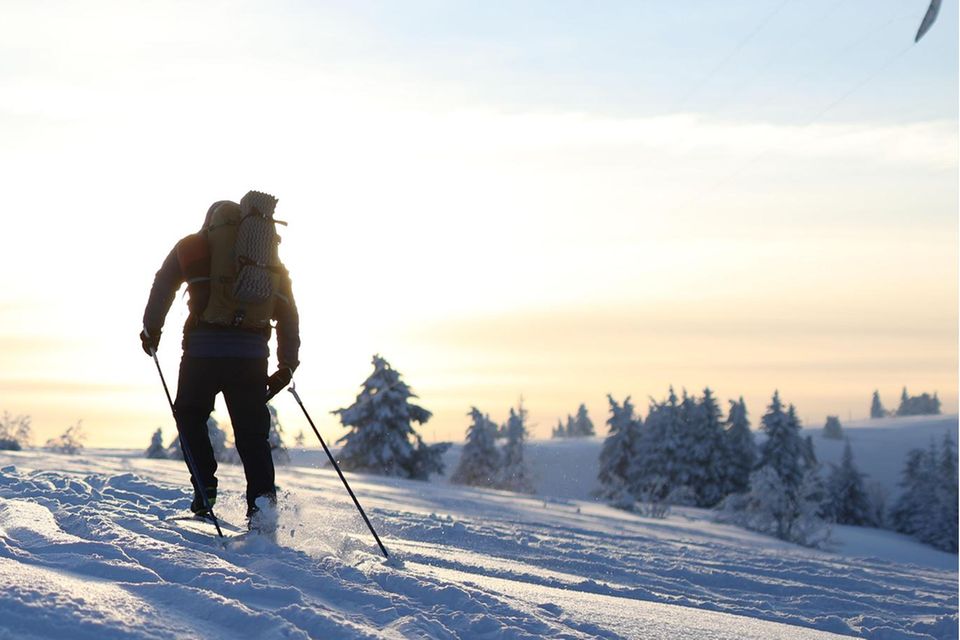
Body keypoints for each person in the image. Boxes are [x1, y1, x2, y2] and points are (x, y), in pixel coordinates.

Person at [140, 191, 300, 527]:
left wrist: (151, 330)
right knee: (252, 436)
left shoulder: (191, 246)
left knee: (190, 415)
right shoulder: (267, 262)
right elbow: (288, 314)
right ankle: (262, 510)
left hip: (202, 353)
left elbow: (163, 283)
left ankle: (205, 487)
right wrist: (287, 365)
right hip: (252, 358)